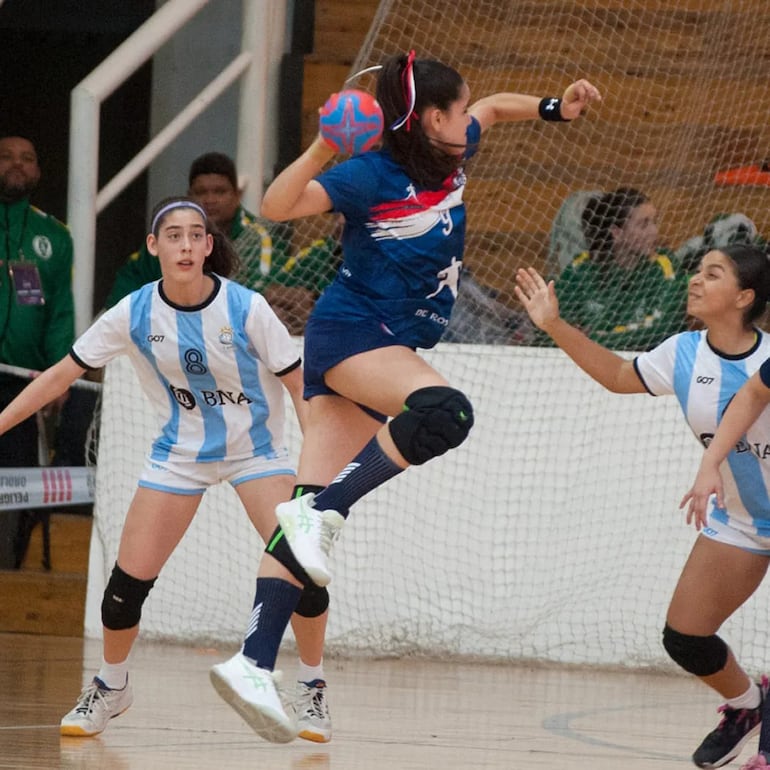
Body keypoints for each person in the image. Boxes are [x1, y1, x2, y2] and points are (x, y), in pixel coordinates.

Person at [205, 49, 600, 732]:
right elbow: (275, 206)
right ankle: (322, 512)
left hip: (385, 340)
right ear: (430, 118)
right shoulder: (369, 174)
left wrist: (554, 108)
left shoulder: (453, 145)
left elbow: (497, 108)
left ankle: (253, 663)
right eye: (459, 105)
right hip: (354, 334)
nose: (469, 113)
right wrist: (324, 145)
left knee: (297, 537)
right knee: (445, 411)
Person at [0, 196, 334, 743]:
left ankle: (313, 687)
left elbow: (302, 392)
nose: (184, 245)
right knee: (124, 586)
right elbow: (60, 376)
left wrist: (310, 484)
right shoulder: (132, 311)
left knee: (299, 564)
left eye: (194, 235)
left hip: (257, 453)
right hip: (180, 456)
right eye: (172, 235)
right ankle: (111, 686)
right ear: (154, 247)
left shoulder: (247, 307)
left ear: (207, 246)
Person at [514, 242, 770, 769]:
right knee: (685, 636)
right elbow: (615, 376)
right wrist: (554, 325)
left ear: (744, 296)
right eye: (698, 271)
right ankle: (747, 704)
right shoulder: (682, 353)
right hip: (742, 520)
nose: (695, 280)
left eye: (712, 274)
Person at [106, 152, 339, 335]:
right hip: (167, 324)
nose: (210, 200)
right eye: (201, 192)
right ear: (189, 195)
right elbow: (127, 286)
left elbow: (263, 291)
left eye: (220, 191)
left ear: (237, 195)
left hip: (231, 328)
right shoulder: (164, 239)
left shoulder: (259, 237)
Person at [0, 135, 75, 568]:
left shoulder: (54, 236)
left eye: (27, 158)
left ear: (39, 172)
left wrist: (58, 372)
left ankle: (8, 568)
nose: (17, 164)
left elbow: (60, 311)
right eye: (7, 156)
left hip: (22, 382)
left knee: (14, 481)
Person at [545, 187, 689, 351]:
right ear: (617, 233)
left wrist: (588, 340)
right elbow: (551, 326)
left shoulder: (665, 265)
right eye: (643, 225)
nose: (654, 232)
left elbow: (662, 329)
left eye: (654, 222)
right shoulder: (581, 268)